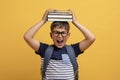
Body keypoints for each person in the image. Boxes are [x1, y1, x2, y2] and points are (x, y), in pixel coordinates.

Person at [23, 9, 95, 80]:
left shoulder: (73, 50)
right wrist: (43, 21)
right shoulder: (44, 50)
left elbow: (91, 38)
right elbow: (27, 37)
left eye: (63, 33)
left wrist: (75, 22)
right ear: (51, 35)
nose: (60, 36)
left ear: (68, 35)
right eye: (56, 32)